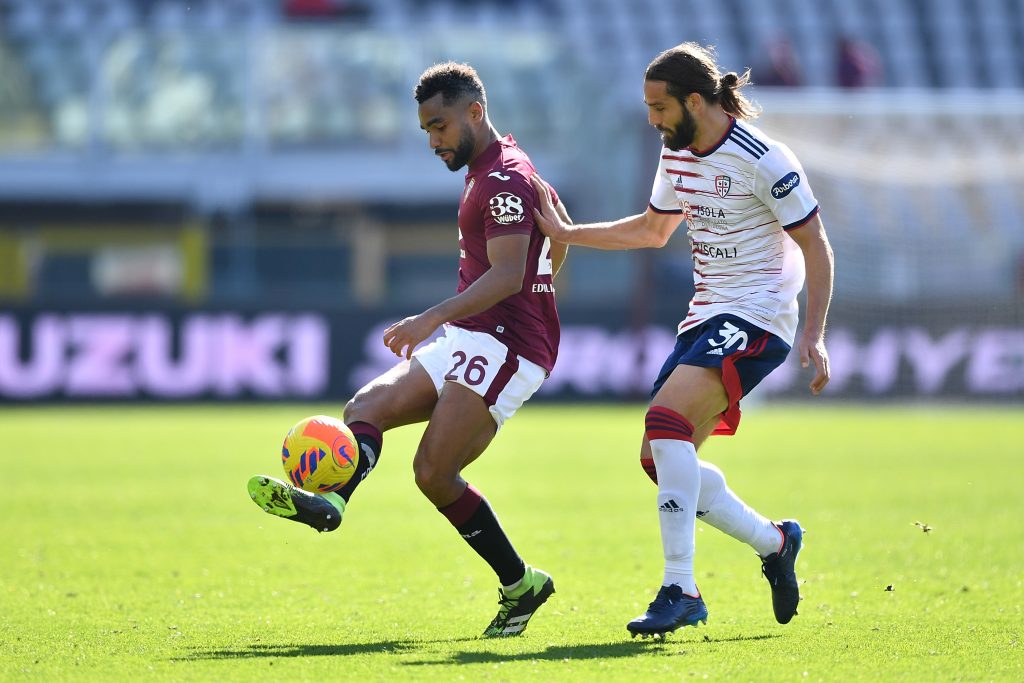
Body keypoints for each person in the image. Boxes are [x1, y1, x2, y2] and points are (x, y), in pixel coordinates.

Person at [247, 62, 570, 637]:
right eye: (425, 129)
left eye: (440, 126)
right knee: (362, 411)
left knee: (433, 472)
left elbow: (508, 276)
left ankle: (522, 584)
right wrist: (540, 268)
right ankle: (334, 504)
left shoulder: (502, 179)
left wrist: (430, 319)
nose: (433, 140)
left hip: (508, 347)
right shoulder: (497, 167)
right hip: (475, 334)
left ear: (475, 112)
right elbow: (556, 237)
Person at [531, 42, 833, 638]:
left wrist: (816, 334)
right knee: (662, 460)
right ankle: (775, 543)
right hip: (706, 316)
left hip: (760, 316)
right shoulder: (677, 156)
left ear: (696, 100)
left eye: (659, 107)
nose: (652, 120)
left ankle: (681, 588)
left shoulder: (764, 158)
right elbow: (652, 230)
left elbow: (815, 244)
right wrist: (569, 233)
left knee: (666, 425)